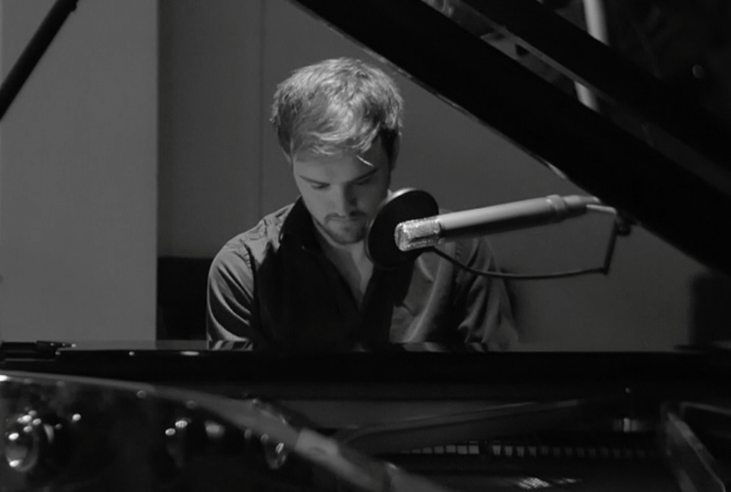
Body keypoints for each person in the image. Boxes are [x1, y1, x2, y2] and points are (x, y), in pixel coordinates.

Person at [206, 57, 517, 349]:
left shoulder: (458, 251)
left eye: (363, 181)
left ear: (393, 152)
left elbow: (499, 382)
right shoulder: (243, 269)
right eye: (319, 185)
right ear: (288, 158)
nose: (343, 207)